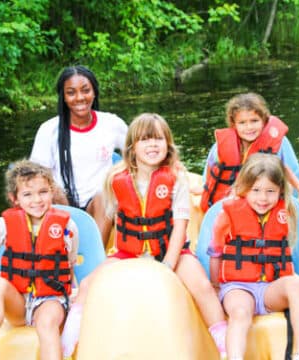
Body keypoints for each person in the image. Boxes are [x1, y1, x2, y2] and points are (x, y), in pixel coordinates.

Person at [61, 113, 227, 358]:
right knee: (86, 286)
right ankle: (66, 347)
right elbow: (111, 219)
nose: (152, 145)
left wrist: (168, 265)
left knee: (202, 286)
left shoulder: (176, 178)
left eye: (158, 139)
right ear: (132, 147)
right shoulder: (116, 179)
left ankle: (224, 346)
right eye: (145, 140)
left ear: (168, 144)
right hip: (129, 252)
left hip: (171, 250)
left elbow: (180, 227)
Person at [0, 160, 79, 360]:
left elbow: (69, 263)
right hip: (19, 304)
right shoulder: (5, 224)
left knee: (46, 324)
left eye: (43, 192)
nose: (37, 200)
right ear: (15, 198)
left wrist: (72, 293)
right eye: (27, 194)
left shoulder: (67, 227)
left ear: (52, 191)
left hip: (51, 300)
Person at [208, 153, 299, 360]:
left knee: (297, 284)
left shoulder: (286, 212)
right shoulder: (227, 215)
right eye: (256, 190)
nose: (263, 198)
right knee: (239, 314)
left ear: (280, 191)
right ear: (244, 188)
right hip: (238, 288)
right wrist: (216, 286)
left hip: (270, 290)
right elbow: (215, 253)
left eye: (270, 191)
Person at [30, 65, 128, 247]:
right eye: (71, 93)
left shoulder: (111, 123)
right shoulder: (49, 130)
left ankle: (94, 258)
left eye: (85, 91)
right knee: (53, 190)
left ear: (94, 92)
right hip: (62, 201)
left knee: (105, 195)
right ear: (63, 97)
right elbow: (37, 175)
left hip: (99, 204)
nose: (80, 98)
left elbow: (137, 153)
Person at [198, 92, 299, 212]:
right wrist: (205, 189)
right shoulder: (221, 147)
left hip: (262, 201)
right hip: (231, 202)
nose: (249, 127)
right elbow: (212, 172)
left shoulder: (267, 145)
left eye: (254, 121)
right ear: (234, 124)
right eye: (242, 123)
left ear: (264, 121)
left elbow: (282, 167)